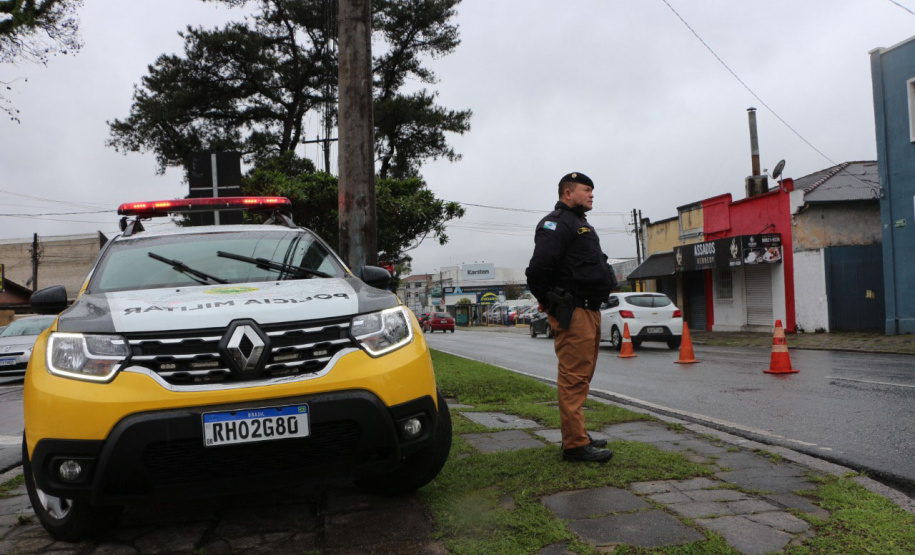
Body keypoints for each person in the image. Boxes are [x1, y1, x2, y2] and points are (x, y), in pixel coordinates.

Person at [525, 172, 618, 463]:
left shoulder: (580, 224)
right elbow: (538, 269)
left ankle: (579, 435)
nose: (592, 195)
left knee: (582, 378)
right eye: (586, 189)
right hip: (574, 311)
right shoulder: (556, 224)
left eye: (592, 190)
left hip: (590, 310)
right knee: (573, 379)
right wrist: (547, 301)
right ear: (568, 192)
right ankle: (575, 445)